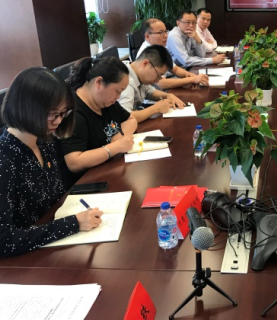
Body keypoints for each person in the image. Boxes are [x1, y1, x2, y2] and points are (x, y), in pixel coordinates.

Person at [0, 67, 103, 257]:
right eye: (53, 114)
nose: (58, 121)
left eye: (63, 113)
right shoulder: (4, 159)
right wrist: (73, 223)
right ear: (27, 108)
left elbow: (55, 200)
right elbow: (4, 241)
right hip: (22, 261)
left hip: (51, 245)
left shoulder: (44, 142)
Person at [62, 57, 137, 185]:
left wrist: (120, 136)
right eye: (118, 91)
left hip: (111, 169)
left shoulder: (106, 102)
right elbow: (74, 162)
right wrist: (115, 147)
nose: (118, 97)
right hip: (88, 182)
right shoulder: (74, 113)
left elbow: (131, 119)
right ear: (99, 82)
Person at [118, 45, 185, 123]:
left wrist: (167, 95)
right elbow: (125, 117)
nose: (157, 80)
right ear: (145, 63)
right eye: (158, 75)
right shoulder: (126, 82)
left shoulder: (138, 73)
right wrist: (155, 108)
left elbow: (150, 92)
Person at [137, 18, 209, 88]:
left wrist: (193, 76)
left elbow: (175, 69)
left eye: (165, 31)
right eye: (160, 32)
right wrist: (192, 80)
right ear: (147, 36)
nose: (165, 36)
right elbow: (162, 84)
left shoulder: (160, 48)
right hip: (155, 94)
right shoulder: (147, 54)